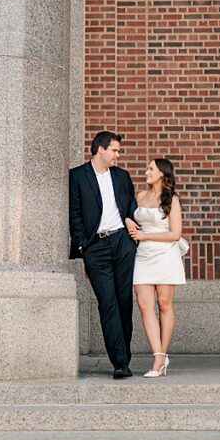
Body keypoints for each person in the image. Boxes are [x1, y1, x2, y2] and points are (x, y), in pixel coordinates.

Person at [69, 131, 138, 379]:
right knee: (107, 303)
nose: (118, 155)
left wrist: (130, 218)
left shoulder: (122, 177)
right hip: (95, 247)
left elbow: (130, 205)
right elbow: (74, 213)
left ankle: (124, 358)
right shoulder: (77, 176)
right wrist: (82, 246)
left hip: (122, 243)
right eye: (115, 150)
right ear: (100, 149)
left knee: (124, 302)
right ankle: (119, 361)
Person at [126, 158, 188, 377]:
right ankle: (157, 353)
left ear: (162, 173)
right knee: (144, 305)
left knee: (163, 304)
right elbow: (125, 213)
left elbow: (175, 233)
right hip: (143, 255)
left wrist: (145, 234)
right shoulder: (139, 196)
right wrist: (128, 221)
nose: (146, 172)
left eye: (150, 168)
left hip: (165, 254)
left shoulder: (171, 199)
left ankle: (160, 357)